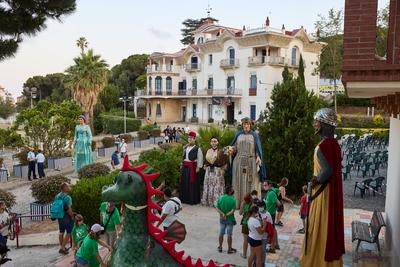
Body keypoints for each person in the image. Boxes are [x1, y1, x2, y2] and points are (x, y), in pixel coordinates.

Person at [300, 108, 345, 267]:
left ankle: (317, 262)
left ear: (325, 124)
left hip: (323, 196)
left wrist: (314, 181)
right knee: (328, 227)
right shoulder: (335, 145)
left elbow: (327, 171)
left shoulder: (322, 147)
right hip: (331, 193)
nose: (315, 124)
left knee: (319, 227)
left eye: (317, 122)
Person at [229, 117, 266, 207]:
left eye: (248, 124)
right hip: (239, 162)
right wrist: (231, 150)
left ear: (250, 125)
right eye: (244, 124)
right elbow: (234, 147)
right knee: (238, 182)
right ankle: (238, 203)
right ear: (242, 125)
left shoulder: (254, 135)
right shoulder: (238, 134)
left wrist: (258, 157)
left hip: (251, 162)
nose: (246, 126)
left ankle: (252, 204)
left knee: (252, 183)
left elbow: (258, 149)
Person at [201, 137, 228, 207]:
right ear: (210, 143)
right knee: (209, 185)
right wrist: (205, 165)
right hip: (209, 170)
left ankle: (218, 202)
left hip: (218, 171)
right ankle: (209, 201)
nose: (213, 143)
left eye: (215, 141)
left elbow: (225, 161)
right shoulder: (208, 151)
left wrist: (224, 170)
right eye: (212, 141)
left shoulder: (221, 151)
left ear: (217, 142)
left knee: (217, 186)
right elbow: (205, 161)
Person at [180, 131, 203, 205]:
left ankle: (192, 200)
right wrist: (181, 164)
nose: (190, 139)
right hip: (185, 167)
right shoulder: (185, 147)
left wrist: (198, 167)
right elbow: (183, 157)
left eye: (191, 138)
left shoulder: (197, 148)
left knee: (192, 184)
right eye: (189, 138)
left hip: (192, 168)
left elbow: (200, 158)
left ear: (194, 139)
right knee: (184, 183)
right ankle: (184, 199)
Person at [215, 186, 237, 254]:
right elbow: (233, 211)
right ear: (230, 191)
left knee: (221, 233)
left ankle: (220, 247)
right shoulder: (233, 199)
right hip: (230, 219)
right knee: (229, 235)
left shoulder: (221, 198)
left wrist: (222, 214)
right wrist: (226, 215)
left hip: (222, 219)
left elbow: (217, 208)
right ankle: (229, 249)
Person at [56, 183, 74, 254]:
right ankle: (63, 248)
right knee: (69, 232)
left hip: (59, 216)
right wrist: (72, 216)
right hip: (66, 216)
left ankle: (62, 247)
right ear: (65, 188)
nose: (69, 187)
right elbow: (69, 208)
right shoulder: (68, 197)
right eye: (67, 186)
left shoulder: (57, 196)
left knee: (61, 232)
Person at [263, 180, 280, 253]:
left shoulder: (271, 193)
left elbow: (278, 203)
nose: (264, 187)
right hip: (271, 213)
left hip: (270, 214)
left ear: (270, 185)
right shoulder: (271, 191)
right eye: (263, 185)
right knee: (273, 229)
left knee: (271, 230)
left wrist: (274, 206)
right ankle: (276, 244)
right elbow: (278, 190)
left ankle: (272, 248)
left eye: (265, 185)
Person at [239, 193, 252, 259]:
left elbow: (240, 213)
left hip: (245, 223)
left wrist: (242, 205)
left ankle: (244, 254)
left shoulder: (243, 204)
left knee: (246, 240)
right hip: (252, 223)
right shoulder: (252, 204)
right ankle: (252, 254)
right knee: (252, 239)